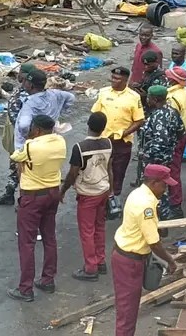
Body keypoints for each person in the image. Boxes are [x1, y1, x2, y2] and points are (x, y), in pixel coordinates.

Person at [112, 164, 178, 336]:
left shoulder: (138, 193)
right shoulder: (146, 205)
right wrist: (170, 261)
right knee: (127, 312)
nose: (165, 190)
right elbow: (154, 243)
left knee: (126, 308)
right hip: (130, 261)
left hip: (126, 255)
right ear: (154, 182)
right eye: (164, 185)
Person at [7, 115, 66, 302]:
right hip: (53, 193)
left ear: (37, 129)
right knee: (49, 237)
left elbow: (15, 156)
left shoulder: (31, 146)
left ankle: (25, 288)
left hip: (32, 197)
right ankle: (48, 279)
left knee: (27, 243)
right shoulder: (60, 141)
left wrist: (28, 140)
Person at [60, 112, 113, 281]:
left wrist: (63, 190)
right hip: (103, 190)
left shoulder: (80, 147)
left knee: (87, 231)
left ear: (88, 124)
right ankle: (101, 261)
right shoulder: (108, 143)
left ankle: (91, 268)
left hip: (88, 193)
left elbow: (73, 173)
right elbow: (110, 168)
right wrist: (110, 189)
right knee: (99, 227)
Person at [91, 67, 145, 197]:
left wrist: (123, 134)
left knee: (118, 171)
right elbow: (95, 114)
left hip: (122, 142)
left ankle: (114, 200)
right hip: (102, 140)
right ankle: (101, 197)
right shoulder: (103, 93)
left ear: (126, 80)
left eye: (117, 79)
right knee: (99, 170)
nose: (113, 81)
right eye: (113, 78)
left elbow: (139, 121)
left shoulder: (134, 97)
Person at [137, 85, 186, 219]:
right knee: (161, 188)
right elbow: (181, 132)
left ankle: (158, 219)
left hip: (155, 161)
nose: (147, 100)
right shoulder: (172, 111)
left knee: (154, 190)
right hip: (167, 158)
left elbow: (160, 141)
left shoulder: (159, 116)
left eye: (148, 97)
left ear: (154, 99)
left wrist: (150, 158)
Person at [0, 63, 37, 206]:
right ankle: (10, 193)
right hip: (17, 132)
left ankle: (25, 199)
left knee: (23, 167)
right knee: (15, 165)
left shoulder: (29, 93)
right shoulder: (22, 89)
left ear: (27, 76)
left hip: (24, 136)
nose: (18, 75)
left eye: (21, 72)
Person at [13, 69, 76, 152]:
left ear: (31, 85)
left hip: (29, 149)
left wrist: (29, 137)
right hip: (49, 141)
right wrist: (61, 110)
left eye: (26, 82)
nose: (23, 84)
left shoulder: (30, 104)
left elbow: (23, 125)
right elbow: (71, 97)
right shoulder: (54, 94)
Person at [165, 66, 186, 218]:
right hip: (184, 133)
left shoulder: (173, 98)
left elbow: (170, 121)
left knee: (172, 169)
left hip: (174, 136)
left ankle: (175, 203)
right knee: (175, 167)